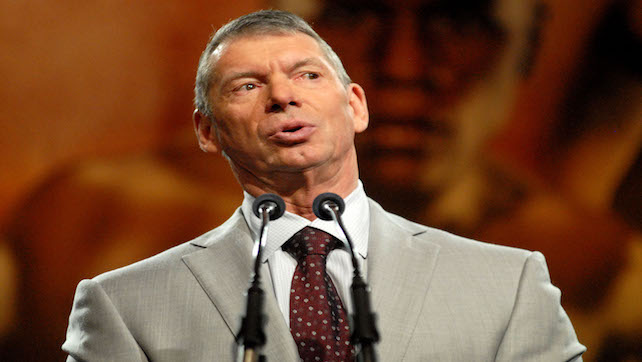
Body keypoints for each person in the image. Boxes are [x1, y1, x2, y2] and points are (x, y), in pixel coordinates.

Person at [62, 10, 585, 361]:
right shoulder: (124, 306)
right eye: (247, 85)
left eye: (308, 76)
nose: (283, 96)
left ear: (355, 106)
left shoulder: (507, 285)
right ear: (207, 132)